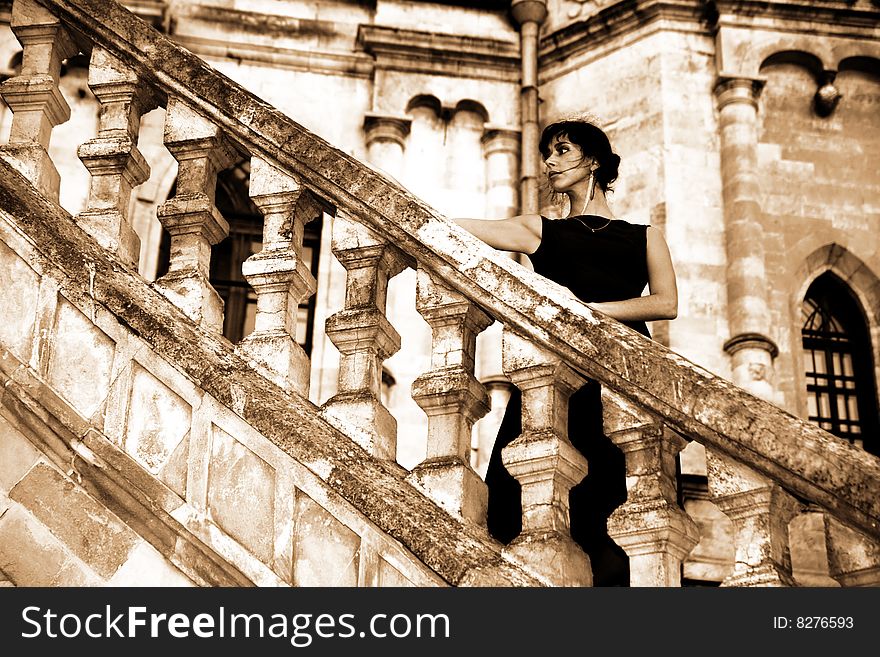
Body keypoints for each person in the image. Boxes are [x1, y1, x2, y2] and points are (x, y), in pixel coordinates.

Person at [454, 119, 677, 586]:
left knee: (620, 515)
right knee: (518, 503)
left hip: (621, 385)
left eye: (561, 150)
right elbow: (460, 228)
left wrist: (591, 311)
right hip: (557, 384)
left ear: (592, 160)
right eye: (547, 153)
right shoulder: (542, 231)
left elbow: (665, 303)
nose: (548, 162)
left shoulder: (644, 235)